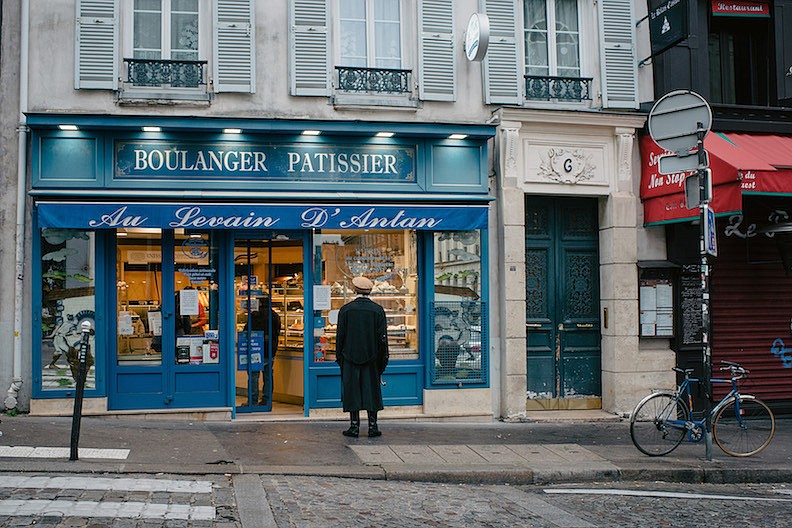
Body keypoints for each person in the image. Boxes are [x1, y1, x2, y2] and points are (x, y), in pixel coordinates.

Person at [335, 276, 389, 438]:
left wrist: (341, 359)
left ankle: (354, 426)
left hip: (350, 357)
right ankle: (373, 426)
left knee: (352, 391)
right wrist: (382, 362)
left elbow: (340, 338)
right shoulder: (378, 310)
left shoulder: (346, 310)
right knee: (371, 391)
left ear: (354, 290)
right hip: (372, 358)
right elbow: (382, 339)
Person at [243, 296, 281, 406]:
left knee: (254, 376)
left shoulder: (255, 316)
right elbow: (277, 332)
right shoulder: (275, 316)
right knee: (268, 376)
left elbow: (247, 330)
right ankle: (267, 400)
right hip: (271, 349)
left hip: (256, 348)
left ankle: (253, 400)